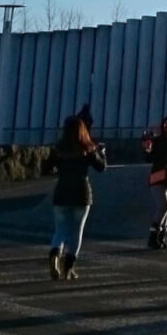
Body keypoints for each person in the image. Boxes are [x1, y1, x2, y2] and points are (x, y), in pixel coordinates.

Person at [46, 115, 106, 280]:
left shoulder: (59, 149)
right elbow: (101, 167)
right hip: (81, 192)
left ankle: (55, 252)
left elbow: (46, 167)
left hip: (62, 192)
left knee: (61, 230)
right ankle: (69, 269)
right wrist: (101, 153)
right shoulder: (87, 148)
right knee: (76, 232)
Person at [142, 114, 167, 249]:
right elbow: (149, 158)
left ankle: (161, 237)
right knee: (163, 206)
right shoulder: (158, 141)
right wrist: (147, 150)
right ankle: (152, 237)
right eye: (166, 126)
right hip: (158, 176)